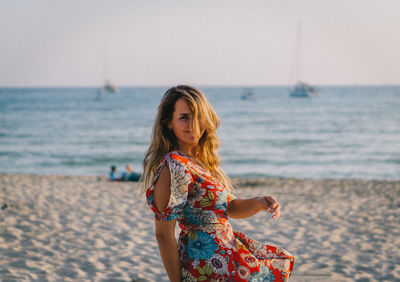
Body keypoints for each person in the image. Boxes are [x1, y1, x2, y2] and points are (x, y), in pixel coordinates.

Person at [143, 85, 294, 281]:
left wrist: (258, 202)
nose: (193, 124)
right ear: (168, 122)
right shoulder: (174, 166)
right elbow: (163, 235)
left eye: (198, 116)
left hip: (229, 263)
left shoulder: (201, 162)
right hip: (203, 270)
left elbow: (228, 208)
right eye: (184, 117)